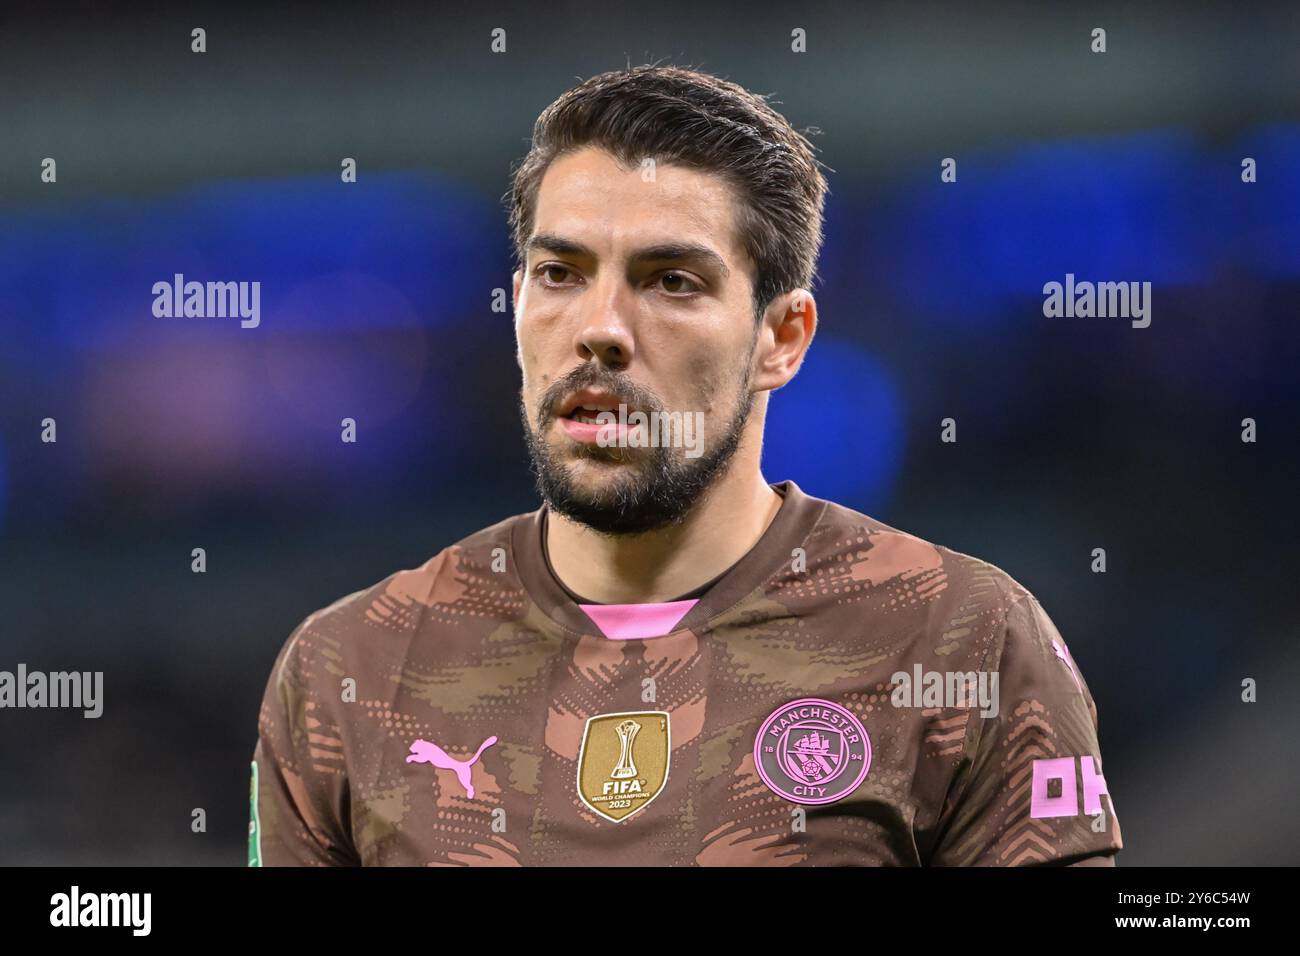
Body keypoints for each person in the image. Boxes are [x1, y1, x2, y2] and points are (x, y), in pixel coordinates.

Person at [250, 64, 1122, 866]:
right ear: (516, 308)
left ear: (781, 338)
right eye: (560, 273)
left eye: (671, 281)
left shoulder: (965, 639)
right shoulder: (347, 671)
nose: (601, 328)